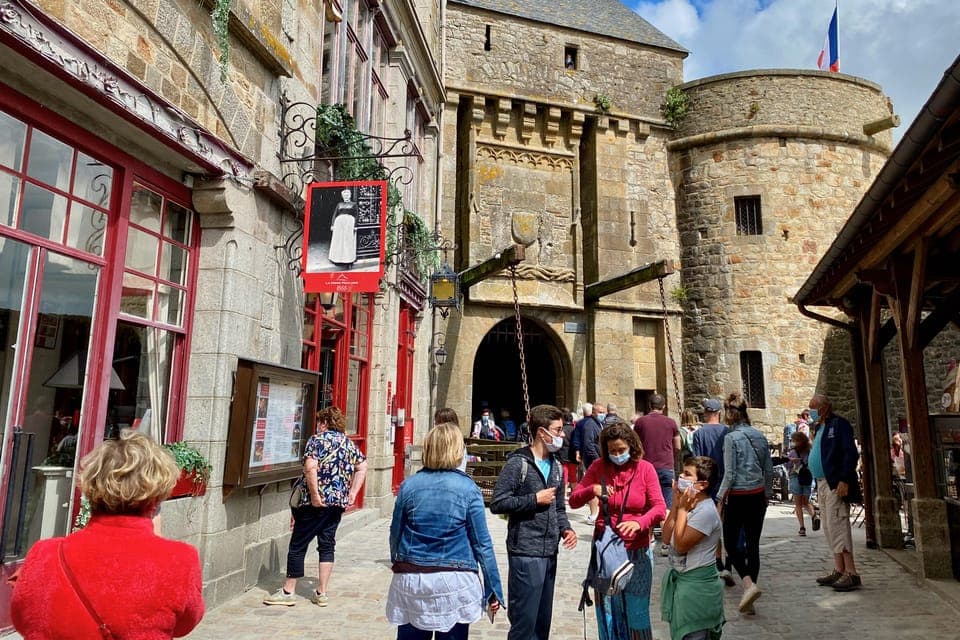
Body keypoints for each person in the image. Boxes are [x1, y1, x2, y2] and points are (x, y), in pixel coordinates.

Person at [11, 429, 204, 638]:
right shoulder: (179, 560)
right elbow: (185, 623)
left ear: (90, 486)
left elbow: (22, 619)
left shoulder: (43, 554)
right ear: (157, 497)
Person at [386, 423, 504, 639]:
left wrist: (397, 559)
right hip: (454, 578)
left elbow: (395, 531)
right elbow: (482, 544)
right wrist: (493, 588)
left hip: (413, 576)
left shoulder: (409, 485)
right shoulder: (468, 489)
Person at [569, 420, 666, 640]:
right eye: (612, 451)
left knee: (637, 612)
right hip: (606, 552)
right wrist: (591, 490)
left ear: (631, 446)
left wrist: (640, 523)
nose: (617, 454)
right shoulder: (598, 466)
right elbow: (574, 500)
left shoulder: (645, 469)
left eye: (621, 450)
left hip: (637, 552)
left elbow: (659, 507)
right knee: (608, 611)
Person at [490, 404, 577, 640]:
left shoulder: (557, 466)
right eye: (557, 430)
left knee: (541, 623)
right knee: (524, 622)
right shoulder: (518, 464)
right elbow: (498, 502)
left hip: (550, 552)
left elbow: (559, 508)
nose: (562, 435)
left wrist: (566, 529)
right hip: (525, 552)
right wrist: (533, 500)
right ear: (541, 432)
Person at [265, 406, 368, 606]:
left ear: (325, 423)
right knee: (327, 544)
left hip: (315, 503)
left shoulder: (316, 440)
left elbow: (311, 467)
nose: (318, 425)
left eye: (320, 421)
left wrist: (314, 495)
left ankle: (288, 591)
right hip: (337, 503)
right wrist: (353, 493)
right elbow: (362, 466)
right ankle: (322, 592)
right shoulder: (348, 443)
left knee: (298, 543)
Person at [715, 391, 772, 614]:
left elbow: (729, 473)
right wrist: (767, 494)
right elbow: (768, 469)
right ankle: (750, 594)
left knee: (730, 543)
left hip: (738, 496)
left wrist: (719, 498)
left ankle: (748, 585)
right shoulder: (760, 435)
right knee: (753, 545)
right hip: (757, 495)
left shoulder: (731, 438)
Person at [660, 456, 725, 640]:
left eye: (687, 474)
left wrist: (682, 511)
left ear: (702, 485)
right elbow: (666, 538)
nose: (681, 476)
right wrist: (676, 504)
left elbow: (681, 546)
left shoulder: (705, 512)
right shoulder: (687, 504)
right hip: (685, 587)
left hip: (698, 591)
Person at [808, 394, 862, 592]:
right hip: (821, 483)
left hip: (834, 483)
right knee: (829, 526)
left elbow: (850, 453)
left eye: (813, 407)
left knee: (838, 525)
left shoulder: (839, 425)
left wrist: (844, 479)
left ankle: (851, 572)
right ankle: (839, 569)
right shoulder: (819, 427)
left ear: (823, 408)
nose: (811, 411)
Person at [690, 397, 734, 586]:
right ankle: (730, 562)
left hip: (708, 482)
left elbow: (698, 461)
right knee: (729, 524)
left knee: (712, 524)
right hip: (727, 482)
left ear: (706, 413)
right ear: (719, 413)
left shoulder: (699, 434)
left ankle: (717, 562)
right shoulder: (728, 432)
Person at [633, 393, 681, 512]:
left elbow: (634, 444)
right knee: (667, 505)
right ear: (664, 406)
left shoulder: (640, 422)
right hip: (666, 466)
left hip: (646, 467)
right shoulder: (671, 422)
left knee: (647, 504)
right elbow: (678, 446)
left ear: (650, 405)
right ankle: (665, 523)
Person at [572, 401, 603, 523]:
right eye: (600, 412)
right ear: (593, 412)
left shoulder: (598, 423)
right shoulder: (590, 424)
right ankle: (594, 514)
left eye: (604, 412)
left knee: (601, 487)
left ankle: (599, 513)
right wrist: (597, 459)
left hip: (598, 459)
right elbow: (588, 444)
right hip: (593, 461)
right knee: (593, 487)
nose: (603, 414)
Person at [786, 431, 817, 536]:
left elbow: (788, 465)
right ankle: (814, 515)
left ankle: (802, 528)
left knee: (798, 504)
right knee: (806, 502)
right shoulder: (810, 451)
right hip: (808, 477)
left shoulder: (793, 452)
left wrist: (792, 462)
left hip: (795, 477)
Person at [328, 187, 358, 266]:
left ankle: (348, 259)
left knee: (348, 240)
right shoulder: (339, 204)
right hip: (339, 223)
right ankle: (337, 259)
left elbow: (356, 215)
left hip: (349, 224)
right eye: (344, 195)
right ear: (342, 196)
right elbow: (335, 214)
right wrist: (332, 225)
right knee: (338, 240)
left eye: (347, 195)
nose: (346, 196)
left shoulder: (354, 204)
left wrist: (355, 226)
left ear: (350, 195)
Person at [560, 409, 580, 495]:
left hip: (563, 455)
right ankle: (575, 493)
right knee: (573, 476)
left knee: (564, 476)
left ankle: (564, 495)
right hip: (573, 456)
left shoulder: (561, 430)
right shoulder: (575, 430)